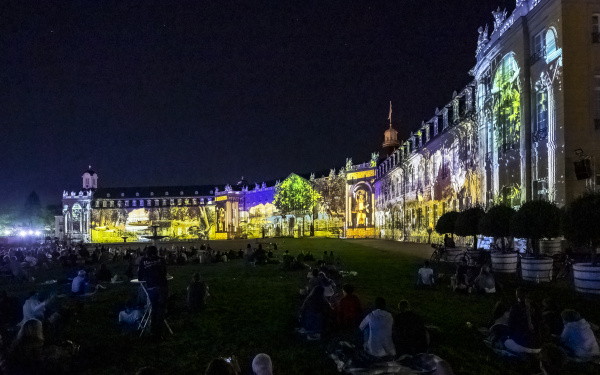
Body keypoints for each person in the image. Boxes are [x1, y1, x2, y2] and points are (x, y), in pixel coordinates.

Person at [6, 319, 77, 375]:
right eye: (40, 328)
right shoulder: (35, 347)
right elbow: (40, 364)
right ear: (35, 331)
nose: (42, 330)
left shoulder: (17, 345)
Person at [137, 246, 168, 338]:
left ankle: (152, 331)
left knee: (154, 309)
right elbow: (164, 272)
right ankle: (160, 332)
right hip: (162, 287)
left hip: (151, 288)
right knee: (161, 309)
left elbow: (139, 277)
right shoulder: (161, 260)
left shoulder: (143, 261)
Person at [505, 287, 540, 354]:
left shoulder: (516, 307)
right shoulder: (534, 306)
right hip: (533, 339)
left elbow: (511, 323)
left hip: (521, 338)